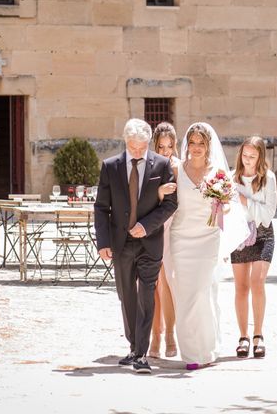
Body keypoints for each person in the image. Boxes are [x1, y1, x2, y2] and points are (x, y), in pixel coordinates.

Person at [94, 118, 177, 374]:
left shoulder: (162, 165)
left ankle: (142, 353)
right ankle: (133, 346)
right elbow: (101, 207)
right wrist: (103, 242)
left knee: (146, 294)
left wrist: (147, 225)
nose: (138, 153)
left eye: (142, 148)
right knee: (126, 295)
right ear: (126, 143)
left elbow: (171, 204)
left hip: (150, 242)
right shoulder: (110, 167)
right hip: (120, 243)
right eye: (133, 148)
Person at [165, 122, 249, 370]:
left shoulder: (218, 173)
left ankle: (208, 349)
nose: (197, 147)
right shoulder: (177, 169)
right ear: (187, 145)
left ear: (208, 146)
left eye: (202, 143)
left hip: (207, 239)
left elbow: (229, 204)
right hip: (181, 238)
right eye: (193, 143)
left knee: (201, 293)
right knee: (185, 295)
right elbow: (167, 199)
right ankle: (192, 353)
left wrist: (223, 205)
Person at [231, 136, 277, 359]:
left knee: (257, 282)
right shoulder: (231, 178)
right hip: (239, 236)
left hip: (263, 235)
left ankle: (258, 334)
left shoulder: (269, 179)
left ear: (260, 157)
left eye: (252, 156)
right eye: (245, 155)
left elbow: (268, 215)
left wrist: (245, 201)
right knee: (241, 287)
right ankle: (243, 336)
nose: (247, 160)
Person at [148, 122, 179, 359]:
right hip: (152, 229)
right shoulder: (148, 167)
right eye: (161, 146)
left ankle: (170, 334)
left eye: (169, 146)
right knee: (151, 286)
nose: (166, 151)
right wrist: (158, 193)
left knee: (167, 283)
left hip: (173, 230)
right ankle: (154, 336)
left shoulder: (180, 168)